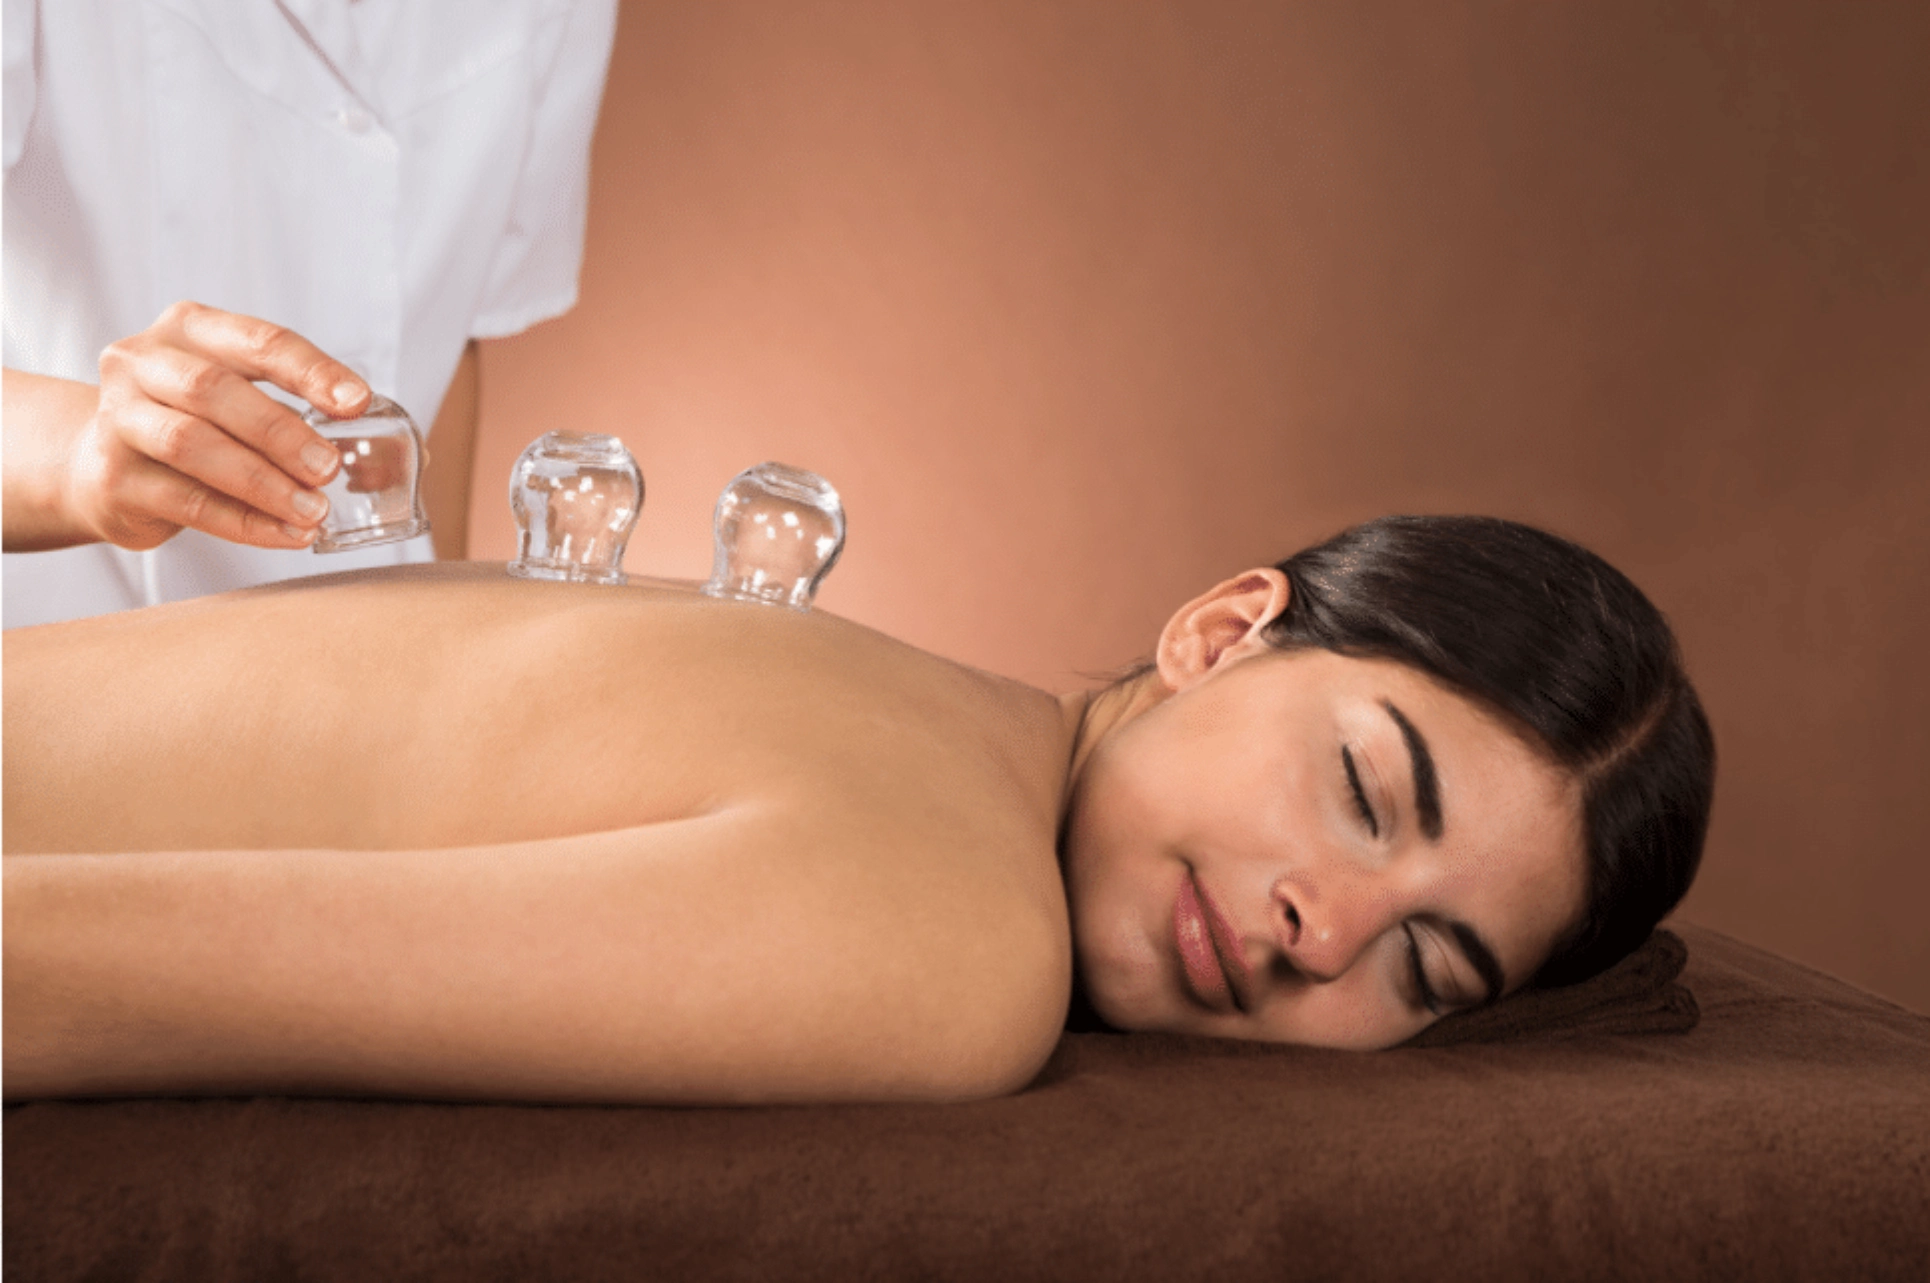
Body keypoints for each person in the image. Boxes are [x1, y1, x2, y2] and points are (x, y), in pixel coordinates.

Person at [1, 516, 1715, 1104]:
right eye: (1360, 791)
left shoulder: (845, 669)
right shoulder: (955, 939)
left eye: (1425, 966)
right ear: (1219, 632)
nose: (1317, 929)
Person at [0, 0, 618, 626]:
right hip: (61, 644)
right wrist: (78, 456)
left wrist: (436, 645)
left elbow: (444, 352)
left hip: (354, 666)